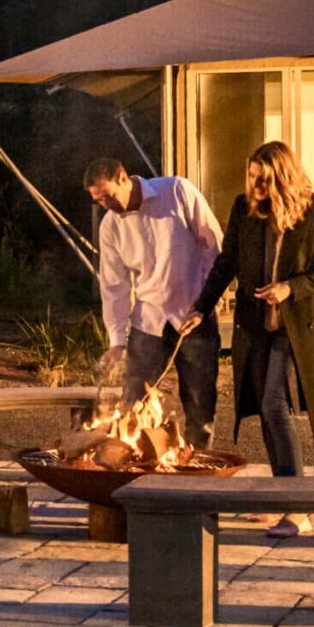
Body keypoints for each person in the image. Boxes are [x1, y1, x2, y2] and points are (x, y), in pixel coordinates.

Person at [180, 140, 314, 537]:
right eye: (252, 175)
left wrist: (291, 287)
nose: (255, 184)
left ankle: (298, 507)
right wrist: (201, 307)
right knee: (265, 412)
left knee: (275, 403)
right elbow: (226, 263)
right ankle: (282, 498)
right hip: (257, 325)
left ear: (283, 177)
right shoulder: (244, 209)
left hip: (299, 326)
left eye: (264, 178)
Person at [84, 157, 223, 449]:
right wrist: (117, 341)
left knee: (200, 402)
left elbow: (213, 243)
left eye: (107, 195)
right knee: (133, 401)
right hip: (148, 321)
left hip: (193, 314)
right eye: (98, 200)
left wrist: (210, 297)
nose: (105, 204)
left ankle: (198, 466)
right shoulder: (110, 226)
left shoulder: (176, 192)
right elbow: (114, 287)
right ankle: (136, 463)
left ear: (123, 177)